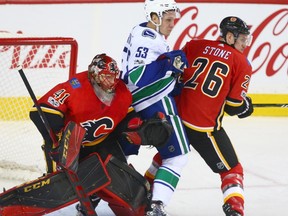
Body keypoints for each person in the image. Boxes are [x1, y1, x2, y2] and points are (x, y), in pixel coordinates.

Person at [29, 53, 172, 215]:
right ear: (94, 75)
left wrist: (139, 129)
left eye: (114, 77)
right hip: (70, 147)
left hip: (103, 143)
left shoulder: (122, 92)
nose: (112, 82)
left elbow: (126, 119)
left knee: (124, 183)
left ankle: (110, 204)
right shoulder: (74, 87)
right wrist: (60, 138)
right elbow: (39, 113)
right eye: (106, 77)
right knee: (59, 187)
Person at [176, 16, 254, 216]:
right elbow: (233, 107)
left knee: (167, 158)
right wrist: (245, 107)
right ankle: (235, 208)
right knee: (232, 169)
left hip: (176, 119)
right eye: (242, 39)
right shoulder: (241, 63)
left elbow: (176, 76)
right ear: (229, 36)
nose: (245, 44)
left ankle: (147, 193)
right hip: (204, 128)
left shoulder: (194, 45)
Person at [121, 0, 190, 215]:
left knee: (120, 155)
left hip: (132, 104)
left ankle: (93, 198)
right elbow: (137, 75)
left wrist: (172, 75)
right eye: (168, 20)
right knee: (177, 157)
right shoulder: (149, 39)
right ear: (154, 17)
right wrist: (169, 63)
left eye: (173, 20)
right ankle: (156, 205)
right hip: (154, 103)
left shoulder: (142, 31)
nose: (172, 24)